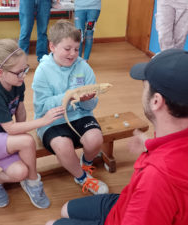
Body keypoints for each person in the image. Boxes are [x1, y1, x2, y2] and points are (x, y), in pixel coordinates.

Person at [45, 49, 188, 225]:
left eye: (145, 87)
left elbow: (156, 188)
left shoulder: (155, 180)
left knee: (51, 224)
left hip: (133, 211)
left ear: (156, 101)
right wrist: (150, 145)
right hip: (127, 203)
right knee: (66, 209)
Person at [0, 39, 64, 209]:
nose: (23, 75)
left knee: (20, 171)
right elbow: (10, 128)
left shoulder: (17, 82)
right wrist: (42, 121)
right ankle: (34, 184)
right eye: (19, 72)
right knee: (27, 141)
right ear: (0, 73)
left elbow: (20, 111)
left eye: (25, 69)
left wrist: (22, 133)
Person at [32, 20, 109, 195]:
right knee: (63, 147)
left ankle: (87, 162)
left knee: (95, 139)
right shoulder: (42, 71)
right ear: (52, 46)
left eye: (76, 48)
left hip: (80, 115)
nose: (73, 54)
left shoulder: (84, 67)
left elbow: (91, 106)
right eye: (67, 49)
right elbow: (41, 106)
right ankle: (81, 177)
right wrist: (69, 96)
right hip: (52, 120)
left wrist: (86, 100)